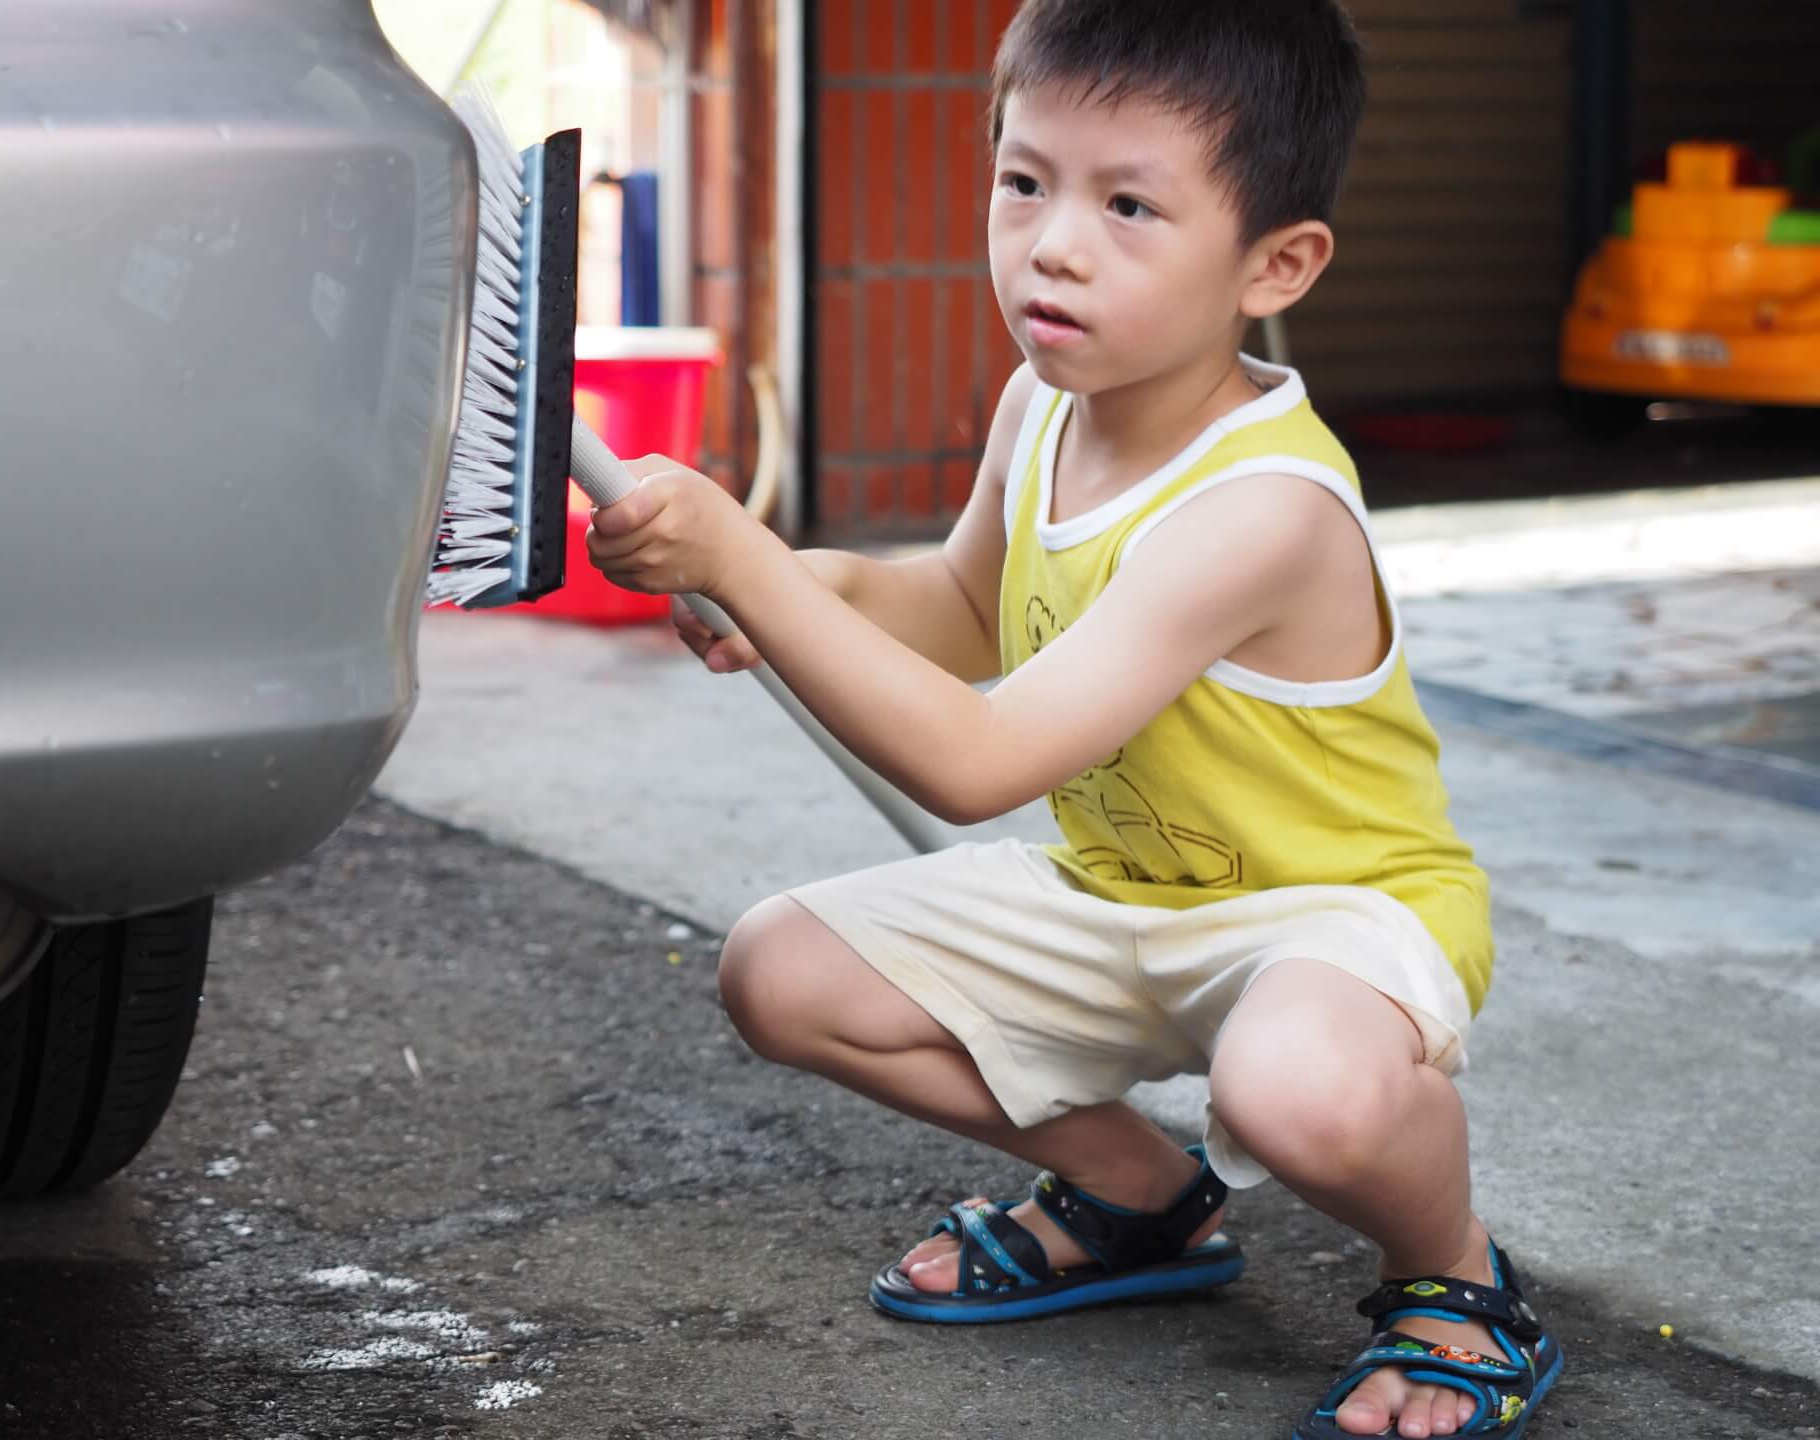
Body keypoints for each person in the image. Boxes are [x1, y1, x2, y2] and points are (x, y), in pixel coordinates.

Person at [587, 2, 1561, 1434]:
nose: (1052, 244)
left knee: (1297, 1090)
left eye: (1129, 206)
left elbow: (977, 763)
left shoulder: (1264, 507)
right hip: (1120, 892)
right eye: (1024, 180)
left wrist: (745, 561)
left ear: (1275, 265)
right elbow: (966, 606)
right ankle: (1137, 1195)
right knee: (778, 972)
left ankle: (1455, 1279)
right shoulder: (1043, 408)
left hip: (1332, 921)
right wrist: (800, 585)